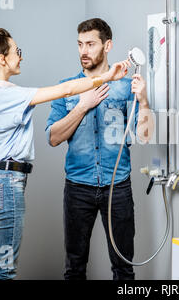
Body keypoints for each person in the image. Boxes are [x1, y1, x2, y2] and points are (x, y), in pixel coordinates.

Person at [0, 28, 131, 280]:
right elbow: (65, 91)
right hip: (6, 188)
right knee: (4, 271)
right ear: (2, 59)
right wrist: (107, 77)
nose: (20, 57)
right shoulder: (7, 94)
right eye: (16, 52)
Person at [46, 18, 154, 280]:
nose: (84, 51)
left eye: (91, 44)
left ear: (108, 46)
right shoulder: (68, 88)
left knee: (123, 268)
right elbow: (53, 137)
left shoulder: (124, 86)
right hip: (77, 188)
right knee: (74, 268)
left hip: (117, 188)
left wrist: (143, 101)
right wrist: (82, 105)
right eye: (80, 44)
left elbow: (144, 136)